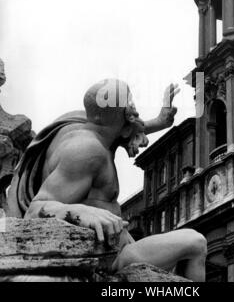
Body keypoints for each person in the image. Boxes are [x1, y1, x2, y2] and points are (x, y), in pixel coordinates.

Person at [7, 79, 207, 281]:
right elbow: (35, 210)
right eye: (131, 104)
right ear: (125, 115)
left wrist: (160, 121)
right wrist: (82, 211)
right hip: (113, 256)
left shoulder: (85, 127)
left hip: (117, 246)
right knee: (196, 242)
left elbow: (126, 127)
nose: (135, 112)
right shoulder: (88, 151)